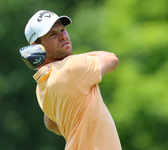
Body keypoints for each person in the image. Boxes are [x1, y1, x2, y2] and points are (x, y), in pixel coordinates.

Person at [24, 10, 122, 150]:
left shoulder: (41, 85)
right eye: (52, 34)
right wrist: (71, 58)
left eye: (62, 30)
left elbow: (50, 123)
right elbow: (112, 59)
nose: (63, 36)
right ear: (36, 48)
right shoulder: (72, 67)